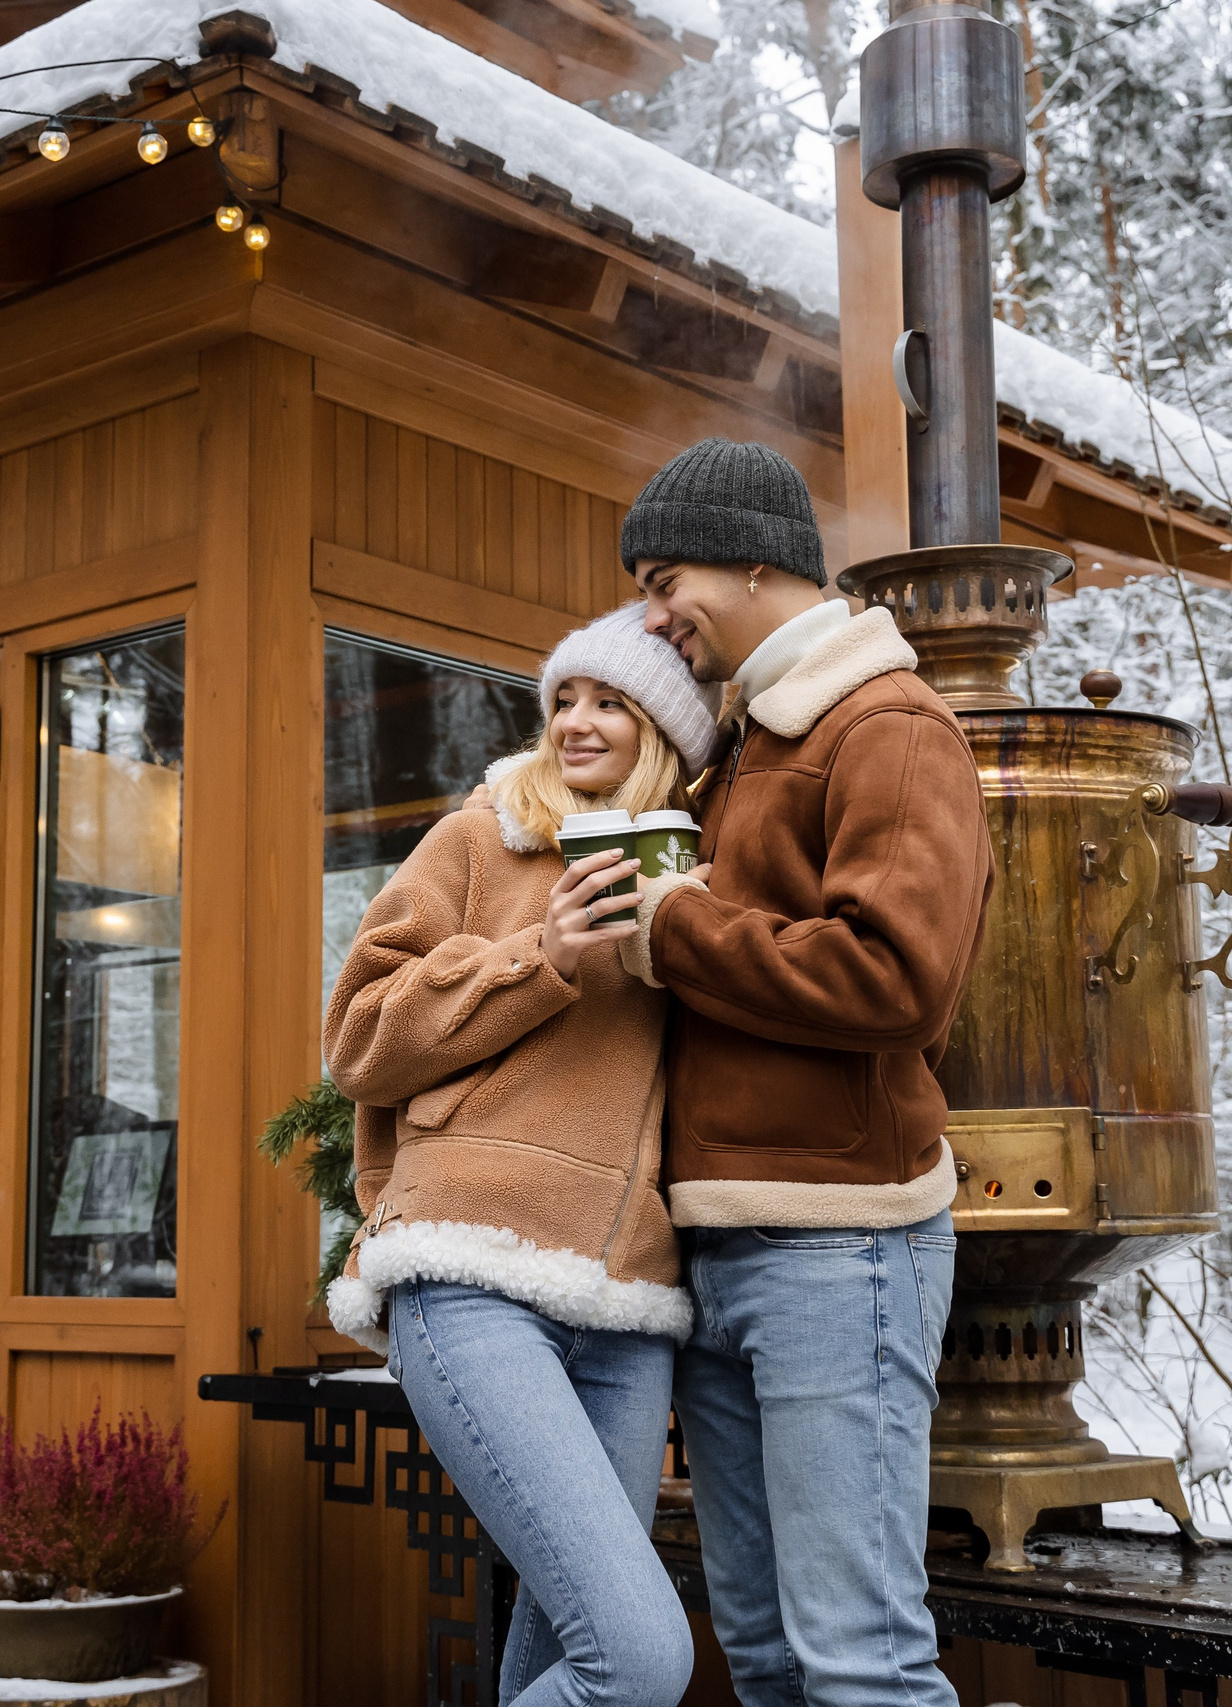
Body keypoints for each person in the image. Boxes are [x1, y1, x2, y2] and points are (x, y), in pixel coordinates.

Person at [619, 438, 994, 1707]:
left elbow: (895, 979)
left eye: (665, 579)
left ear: (758, 558)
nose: (650, 614)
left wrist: (669, 925)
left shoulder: (884, 727)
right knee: (770, 1654)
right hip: (719, 1244)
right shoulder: (745, 748)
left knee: (859, 1660)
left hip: (840, 1245)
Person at [324, 602, 717, 1707]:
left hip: (631, 1306)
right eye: (563, 700)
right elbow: (357, 1037)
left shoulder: (695, 876)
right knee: (639, 1660)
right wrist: (532, 957)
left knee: (565, 1658)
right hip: (468, 1274)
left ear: (667, 732)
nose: (578, 722)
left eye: (612, 702)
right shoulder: (477, 838)